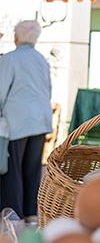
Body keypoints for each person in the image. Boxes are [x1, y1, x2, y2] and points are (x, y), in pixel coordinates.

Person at [0, 21, 52, 223]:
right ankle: (31, 215)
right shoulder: (42, 60)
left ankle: (13, 216)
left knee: (13, 170)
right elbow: (48, 89)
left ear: (16, 37)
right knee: (32, 168)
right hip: (40, 119)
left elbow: (1, 91)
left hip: (16, 121)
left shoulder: (9, 59)